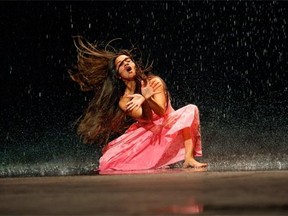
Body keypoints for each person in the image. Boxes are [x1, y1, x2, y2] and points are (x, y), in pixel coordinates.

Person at [69, 36, 207, 172]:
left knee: (190, 109)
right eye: (121, 64)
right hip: (148, 131)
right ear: (118, 75)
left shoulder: (153, 82)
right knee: (110, 161)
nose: (126, 64)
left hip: (168, 124)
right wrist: (144, 99)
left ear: (134, 65)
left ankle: (189, 158)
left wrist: (146, 98)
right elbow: (147, 118)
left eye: (128, 61)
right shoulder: (124, 100)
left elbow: (161, 112)